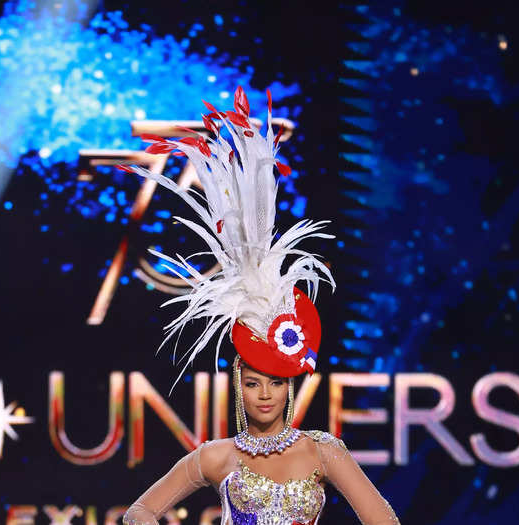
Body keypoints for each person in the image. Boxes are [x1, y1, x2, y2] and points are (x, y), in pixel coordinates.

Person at [119, 87, 400, 524]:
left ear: (290, 383)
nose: (265, 394)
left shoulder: (323, 451)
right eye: (253, 383)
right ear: (238, 383)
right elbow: (138, 513)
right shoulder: (216, 457)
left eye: (274, 382)